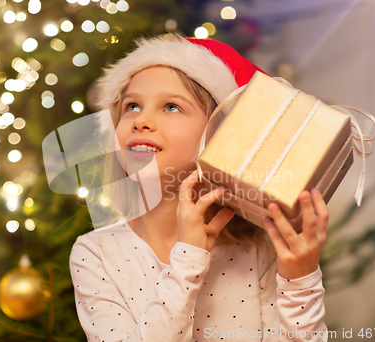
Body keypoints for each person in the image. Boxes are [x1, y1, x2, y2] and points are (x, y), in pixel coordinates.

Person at [70, 34, 329, 342]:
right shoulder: (95, 254)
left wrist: (301, 281)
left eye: (170, 107)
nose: (141, 120)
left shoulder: (258, 251)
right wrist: (187, 260)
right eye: (132, 106)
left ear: (219, 134)